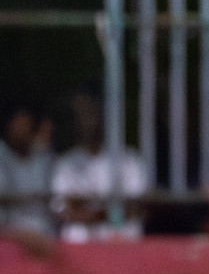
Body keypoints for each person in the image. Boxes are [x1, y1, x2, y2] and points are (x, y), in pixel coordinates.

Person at [51, 92, 148, 242]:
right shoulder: (66, 163)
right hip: (79, 247)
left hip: (122, 245)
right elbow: (63, 211)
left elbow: (137, 208)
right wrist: (110, 211)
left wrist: (85, 207)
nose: (88, 120)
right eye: (82, 113)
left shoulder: (130, 160)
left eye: (92, 112)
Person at [0, 102, 56, 256]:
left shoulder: (43, 158)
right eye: (19, 124)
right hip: (9, 237)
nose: (23, 130)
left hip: (46, 236)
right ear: (8, 126)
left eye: (27, 125)